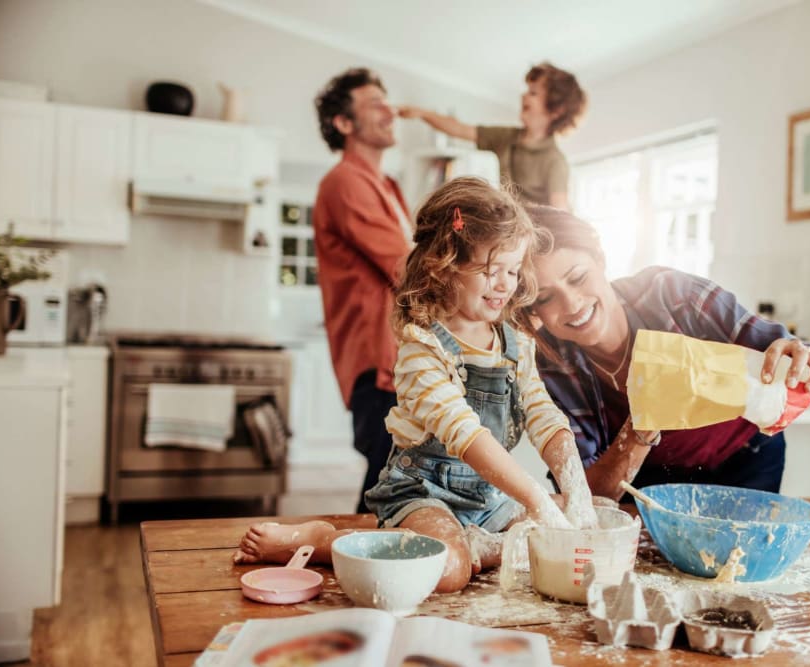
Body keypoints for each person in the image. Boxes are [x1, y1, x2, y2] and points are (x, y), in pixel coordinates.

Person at [234, 179, 597, 594]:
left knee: (589, 513)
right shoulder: (422, 351)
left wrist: (575, 486)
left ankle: (481, 545)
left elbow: (543, 414)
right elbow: (465, 434)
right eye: (489, 270)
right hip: (424, 494)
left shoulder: (516, 345)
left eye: (512, 271)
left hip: (488, 500)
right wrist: (535, 497)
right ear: (443, 265)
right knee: (448, 571)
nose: (504, 284)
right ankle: (322, 540)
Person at [514, 205, 810, 500]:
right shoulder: (550, 368)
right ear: (532, 309)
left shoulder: (675, 297)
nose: (571, 304)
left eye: (577, 278)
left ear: (601, 260)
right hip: (645, 485)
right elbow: (587, 495)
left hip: (744, 462)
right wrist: (642, 424)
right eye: (545, 298)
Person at [312, 67, 412, 513]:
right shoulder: (345, 182)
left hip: (395, 357)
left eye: (387, 101)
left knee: (392, 485)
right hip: (379, 363)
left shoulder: (386, 186)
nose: (388, 110)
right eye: (375, 104)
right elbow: (405, 266)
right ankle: (351, 575)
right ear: (344, 124)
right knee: (386, 491)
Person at [398, 63, 586, 209]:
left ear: (556, 110)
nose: (524, 96)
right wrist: (423, 114)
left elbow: (560, 211)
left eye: (533, 93)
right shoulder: (506, 137)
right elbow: (460, 129)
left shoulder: (554, 161)